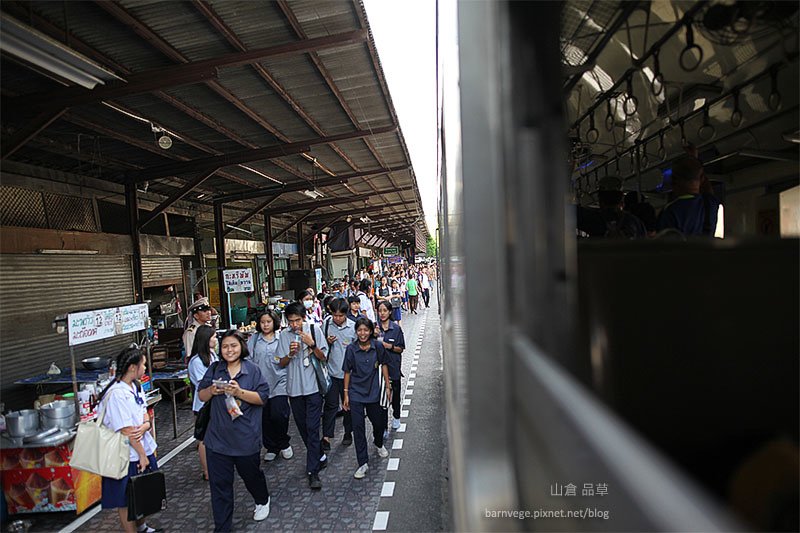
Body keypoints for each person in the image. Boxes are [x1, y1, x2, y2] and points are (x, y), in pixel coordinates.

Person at [198, 331, 271, 531]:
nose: (229, 350)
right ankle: (222, 527)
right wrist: (212, 391)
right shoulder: (215, 369)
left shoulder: (252, 370)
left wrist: (239, 392)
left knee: (251, 475)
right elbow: (202, 396)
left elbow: (262, 398)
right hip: (217, 440)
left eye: (234, 346)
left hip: (245, 438)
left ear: (242, 347)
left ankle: (262, 498)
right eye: (225, 347)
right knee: (220, 487)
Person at [98, 346, 160, 533]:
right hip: (125, 455)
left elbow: (144, 418)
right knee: (125, 499)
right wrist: (142, 455)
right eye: (143, 365)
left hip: (141, 448)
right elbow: (126, 430)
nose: (145, 368)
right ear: (133, 367)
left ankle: (141, 526)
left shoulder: (135, 387)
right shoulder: (117, 393)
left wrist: (145, 426)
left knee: (143, 492)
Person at [274, 301, 330, 490]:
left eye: (297, 320)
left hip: (313, 388)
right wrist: (289, 355)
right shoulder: (283, 335)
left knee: (313, 428)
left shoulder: (314, 330)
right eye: (291, 321)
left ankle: (312, 472)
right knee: (304, 429)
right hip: (294, 390)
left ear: (304, 317)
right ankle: (320, 455)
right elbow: (280, 363)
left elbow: (324, 357)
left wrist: (311, 344)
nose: (294, 325)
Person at [343, 317, 392, 479]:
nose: (362, 333)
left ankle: (378, 443)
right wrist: (346, 394)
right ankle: (362, 462)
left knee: (378, 423)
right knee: (358, 428)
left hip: (374, 392)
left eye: (365, 330)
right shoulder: (351, 349)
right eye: (359, 330)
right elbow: (347, 372)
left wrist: (387, 385)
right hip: (356, 392)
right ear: (356, 332)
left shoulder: (377, 346)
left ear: (370, 331)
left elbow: (384, 364)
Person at [247, 310, 293, 462]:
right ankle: (271, 446)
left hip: (280, 381)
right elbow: (248, 360)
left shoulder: (282, 337)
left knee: (279, 414)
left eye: (268, 322)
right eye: (262, 322)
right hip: (260, 384)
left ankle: (284, 442)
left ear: (274, 322)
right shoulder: (254, 339)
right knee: (265, 417)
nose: (265, 325)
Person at [322, 298, 355, 451]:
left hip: (348, 375)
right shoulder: (327, 324)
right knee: (330, 405)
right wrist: (327, 342)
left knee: (347, 406)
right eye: (335, 315)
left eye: (340, 316)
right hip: (331, 373)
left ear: (346, 314)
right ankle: (326, 437)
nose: (337, 318)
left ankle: (348, 433)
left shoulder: (353, 328)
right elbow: (321, 348)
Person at [657, 155, 720, 236]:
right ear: (702, 178)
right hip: (705, 248)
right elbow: (707, 188)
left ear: (673, 180)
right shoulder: (710, 203)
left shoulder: (670, 211)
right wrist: (695, 158)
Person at [188, 325, 218, 481]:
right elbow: (203, 383)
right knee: (204, 439)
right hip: (203, 405)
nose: (216, 339)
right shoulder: (196, 361)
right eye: (213, 337)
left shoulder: (212, 355)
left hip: (215, 402)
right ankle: (207, 471)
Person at [576, 176, 648, 239]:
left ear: (600, 199)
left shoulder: (592, 219)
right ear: (621, 199)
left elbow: (569, 212)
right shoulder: (635, 222)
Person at [376, 301, 405, 432]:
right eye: (380, 310)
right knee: (381, 398)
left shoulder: (396, 329)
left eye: (384, 310)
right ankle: (383, 426)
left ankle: (396, 416)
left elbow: (401, 348)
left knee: (395, 395)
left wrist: (390, 346)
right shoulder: (375, 329)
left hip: (393, 367)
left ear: (389, 312)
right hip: (379, 370)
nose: (382, 313)